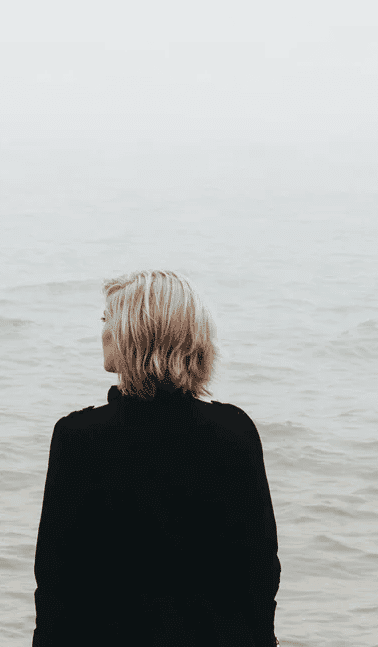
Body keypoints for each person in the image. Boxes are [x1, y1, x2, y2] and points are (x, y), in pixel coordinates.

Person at [33, 270, 280, 647]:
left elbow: (56, 580)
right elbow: (259, 571)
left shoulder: (79, 437)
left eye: (107, 320)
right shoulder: (234, 431)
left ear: (134, 333)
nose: (101, 333)